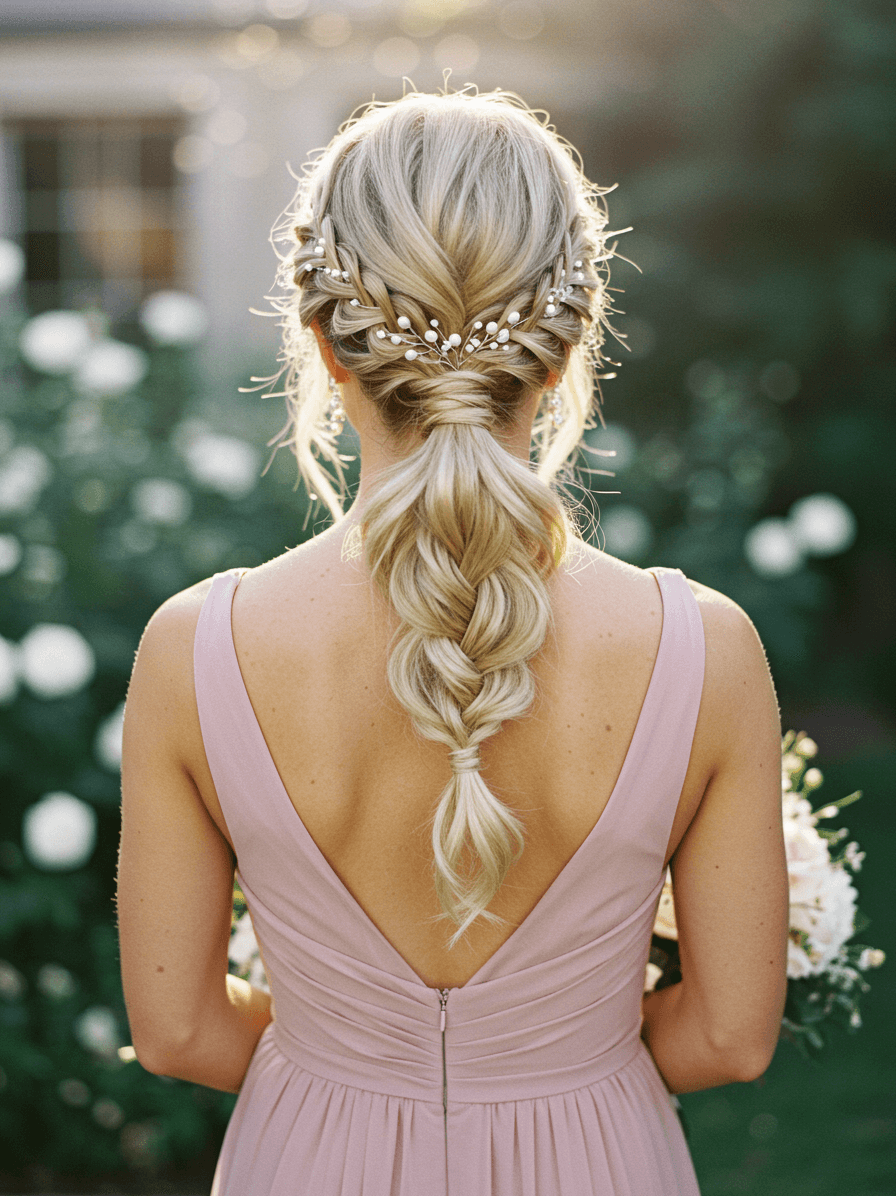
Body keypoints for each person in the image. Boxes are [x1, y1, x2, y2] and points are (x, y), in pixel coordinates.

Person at [117, 89, 789, 1195]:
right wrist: (561, 1069)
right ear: (568, 344)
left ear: (324, 344)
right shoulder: (705, 648)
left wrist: (346, 1074)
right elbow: (727, 1036)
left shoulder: (193, 648)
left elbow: (179, 1030)